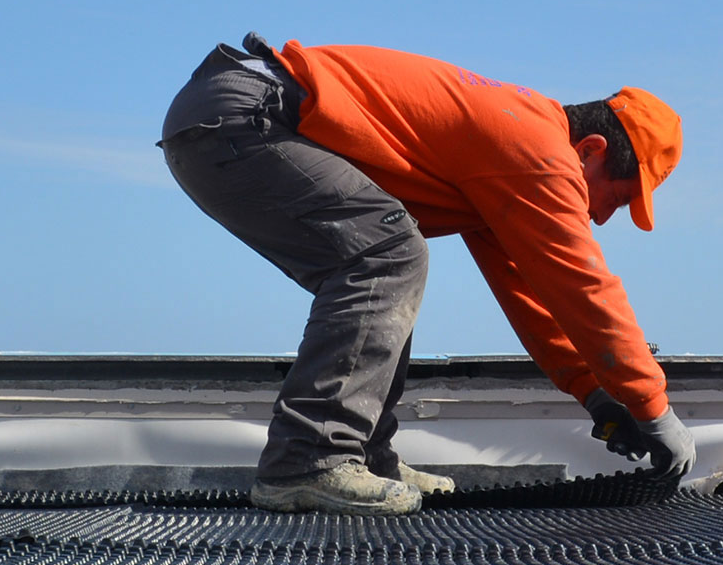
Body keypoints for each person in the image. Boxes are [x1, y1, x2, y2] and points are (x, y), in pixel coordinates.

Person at [160, 33, 694, 514]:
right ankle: (309, 458)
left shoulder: (511, 154)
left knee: (387, 253)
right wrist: (654, 406)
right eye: (618, 199)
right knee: (389, 254)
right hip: (244, 119)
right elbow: (583, 286)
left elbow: (534, 293)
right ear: (591, 150)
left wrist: (599, 394)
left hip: (228, 119)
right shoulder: (536, 149)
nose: (602, 217)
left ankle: (361, 455)